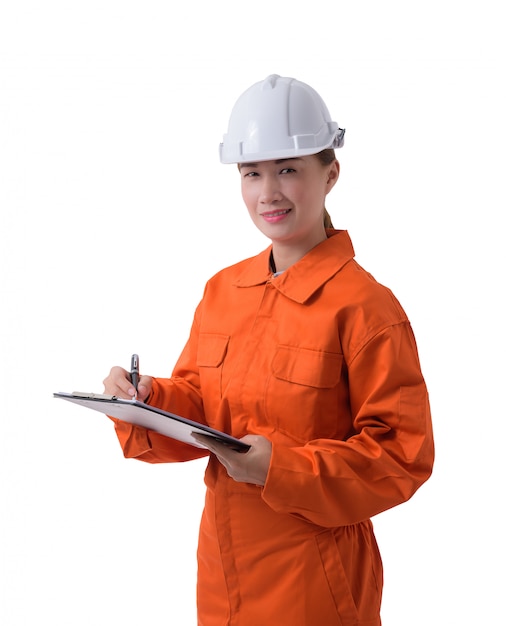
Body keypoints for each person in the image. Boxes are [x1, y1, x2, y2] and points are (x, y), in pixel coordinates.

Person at [103, 74, 434, 626]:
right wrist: (144, 398)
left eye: (288, 169)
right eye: (252, 172)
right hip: (223, 576)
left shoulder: (366, 307)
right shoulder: (223, 291)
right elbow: (203, 407)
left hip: (316, 586)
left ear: (330, 173)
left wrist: (280, 470)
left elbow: (402, 456)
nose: (268, 193)